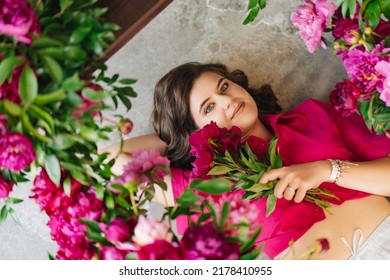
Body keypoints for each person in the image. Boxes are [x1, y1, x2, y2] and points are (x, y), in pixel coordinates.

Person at [102, 62, 390, 260]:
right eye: (209, 107)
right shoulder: (206, 187)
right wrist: (181, 138)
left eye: (223, 87)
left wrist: (328, 169)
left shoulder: (310, 116)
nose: (226, 100)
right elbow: (112, 157)